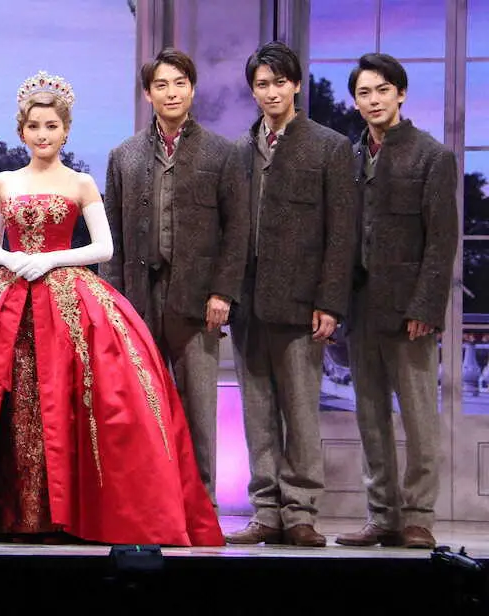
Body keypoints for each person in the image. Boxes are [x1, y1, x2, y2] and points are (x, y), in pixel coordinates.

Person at [0, 71, 223, 546]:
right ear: (21, 131)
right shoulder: (4, 181)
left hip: (66, 296)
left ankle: (69, 511)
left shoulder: (80, 182)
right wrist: (13, 259)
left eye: (51, 126)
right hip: (10, 291)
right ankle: (9, 512)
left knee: (73, 394)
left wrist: (51, 259)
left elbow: (104, 247)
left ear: (66, 130)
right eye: (34, 126)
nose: (43, 135)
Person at [101, 48, 249, 502]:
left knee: (198, 408)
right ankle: (147, 505)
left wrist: (223, 292)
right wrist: (114, 302)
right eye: (161, 85)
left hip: (197, 300)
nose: (171, 92)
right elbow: (112, 234)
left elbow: (237, 230)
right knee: (141, 408)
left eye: (179, 83)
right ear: (148, 94)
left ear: (192, 89)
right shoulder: (124, 156)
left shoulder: (222, 153)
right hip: (139, 301)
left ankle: (201, 504)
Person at [224, 42, 356, 547]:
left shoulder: (328, 146)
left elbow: (341, 234)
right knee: (257, 412)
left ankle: (300, 510)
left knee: (300, 412)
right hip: (248, 302)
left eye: (280, 82)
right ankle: (266, 510)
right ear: (253, 90)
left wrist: (330, 302)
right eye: (262, 84)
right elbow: (230, 230)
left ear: (296, 85)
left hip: (302, 303)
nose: (271, 92)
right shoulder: (240, 150)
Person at [334, 53, 457, 550]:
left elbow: (441, 241)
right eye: (364, 93)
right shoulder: (348, 156)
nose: (374, 100)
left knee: (420, 419)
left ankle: (419, 517)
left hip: (409, 311)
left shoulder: (431, 156)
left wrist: (425, 308)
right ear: (355, 101)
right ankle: (382, 516)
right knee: (370, 416)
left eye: (383, 90)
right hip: (361, 306)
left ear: (400, 94)